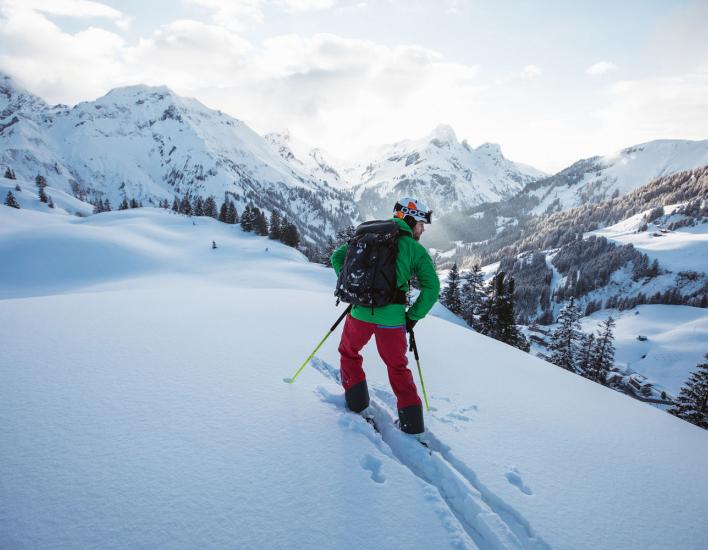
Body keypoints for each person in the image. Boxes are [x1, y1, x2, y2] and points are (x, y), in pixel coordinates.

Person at [330, 197, 440, 435]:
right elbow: (432, 289)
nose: (422, 230)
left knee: (349, 353)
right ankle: (412, 425)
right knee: (397, 367)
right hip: (392, 320)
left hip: (359, 314)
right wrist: (412, 317)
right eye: (421, 224)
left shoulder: (366, 236)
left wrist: (353, 289)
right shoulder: (414, 248)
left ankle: (357, 403)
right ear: (409, 219)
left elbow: (337, 258)